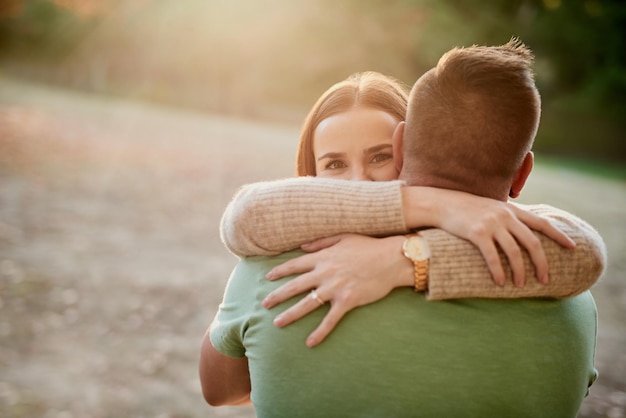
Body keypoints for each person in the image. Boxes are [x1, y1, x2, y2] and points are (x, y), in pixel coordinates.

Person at [201, 41, 605, 417]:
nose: (359, 183)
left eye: (378, 157)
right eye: (334, 165)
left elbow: (583, 251)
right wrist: (436, 204)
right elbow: (245, 217)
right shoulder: (570, 299)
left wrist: (405, 259)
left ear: (405, 146)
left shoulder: (268, 272)